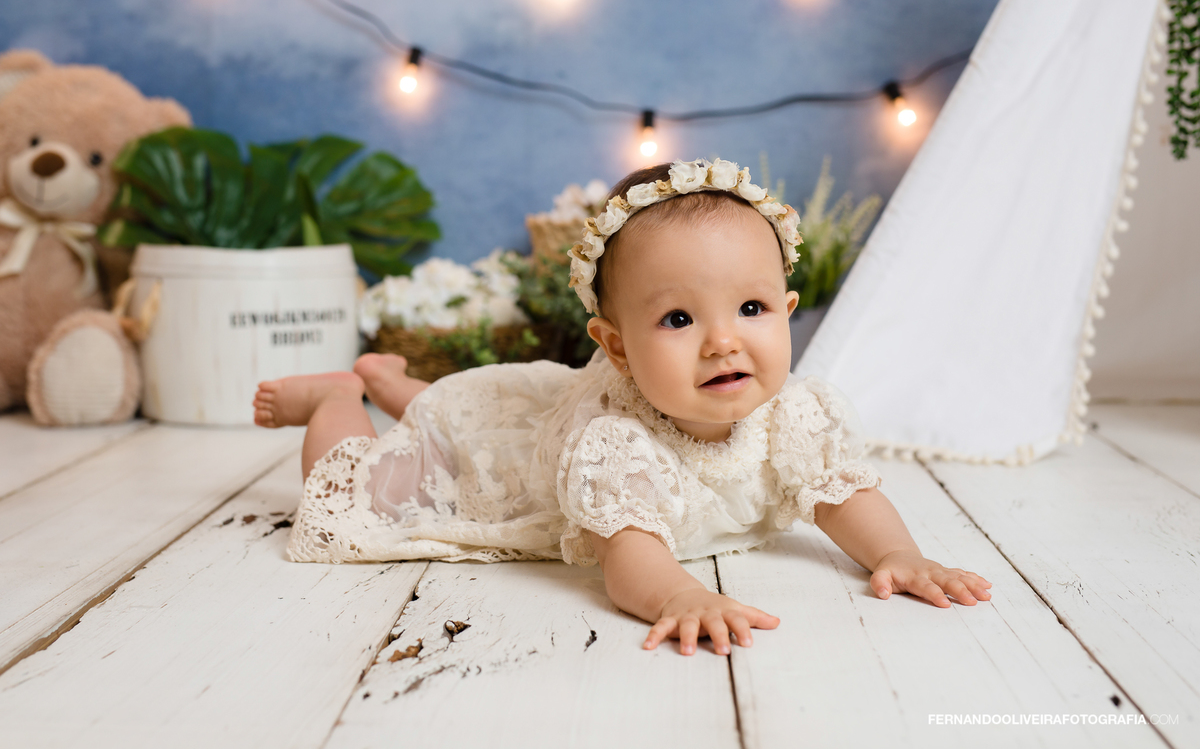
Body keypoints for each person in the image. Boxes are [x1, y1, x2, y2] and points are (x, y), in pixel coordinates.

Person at [253, 158, 992, 657]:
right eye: (678, 320)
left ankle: (397, 385)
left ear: (789, 310)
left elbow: (841, 495)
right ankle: (341, 396)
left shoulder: (793, 412)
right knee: (361, 487)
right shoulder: (617, 442)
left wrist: (898, 555)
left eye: (753, 307)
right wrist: (680, 592)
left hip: (525, 418)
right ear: (615, 346)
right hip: (506, 464)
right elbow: (630, 558)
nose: (722, 342)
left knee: (483, 407)